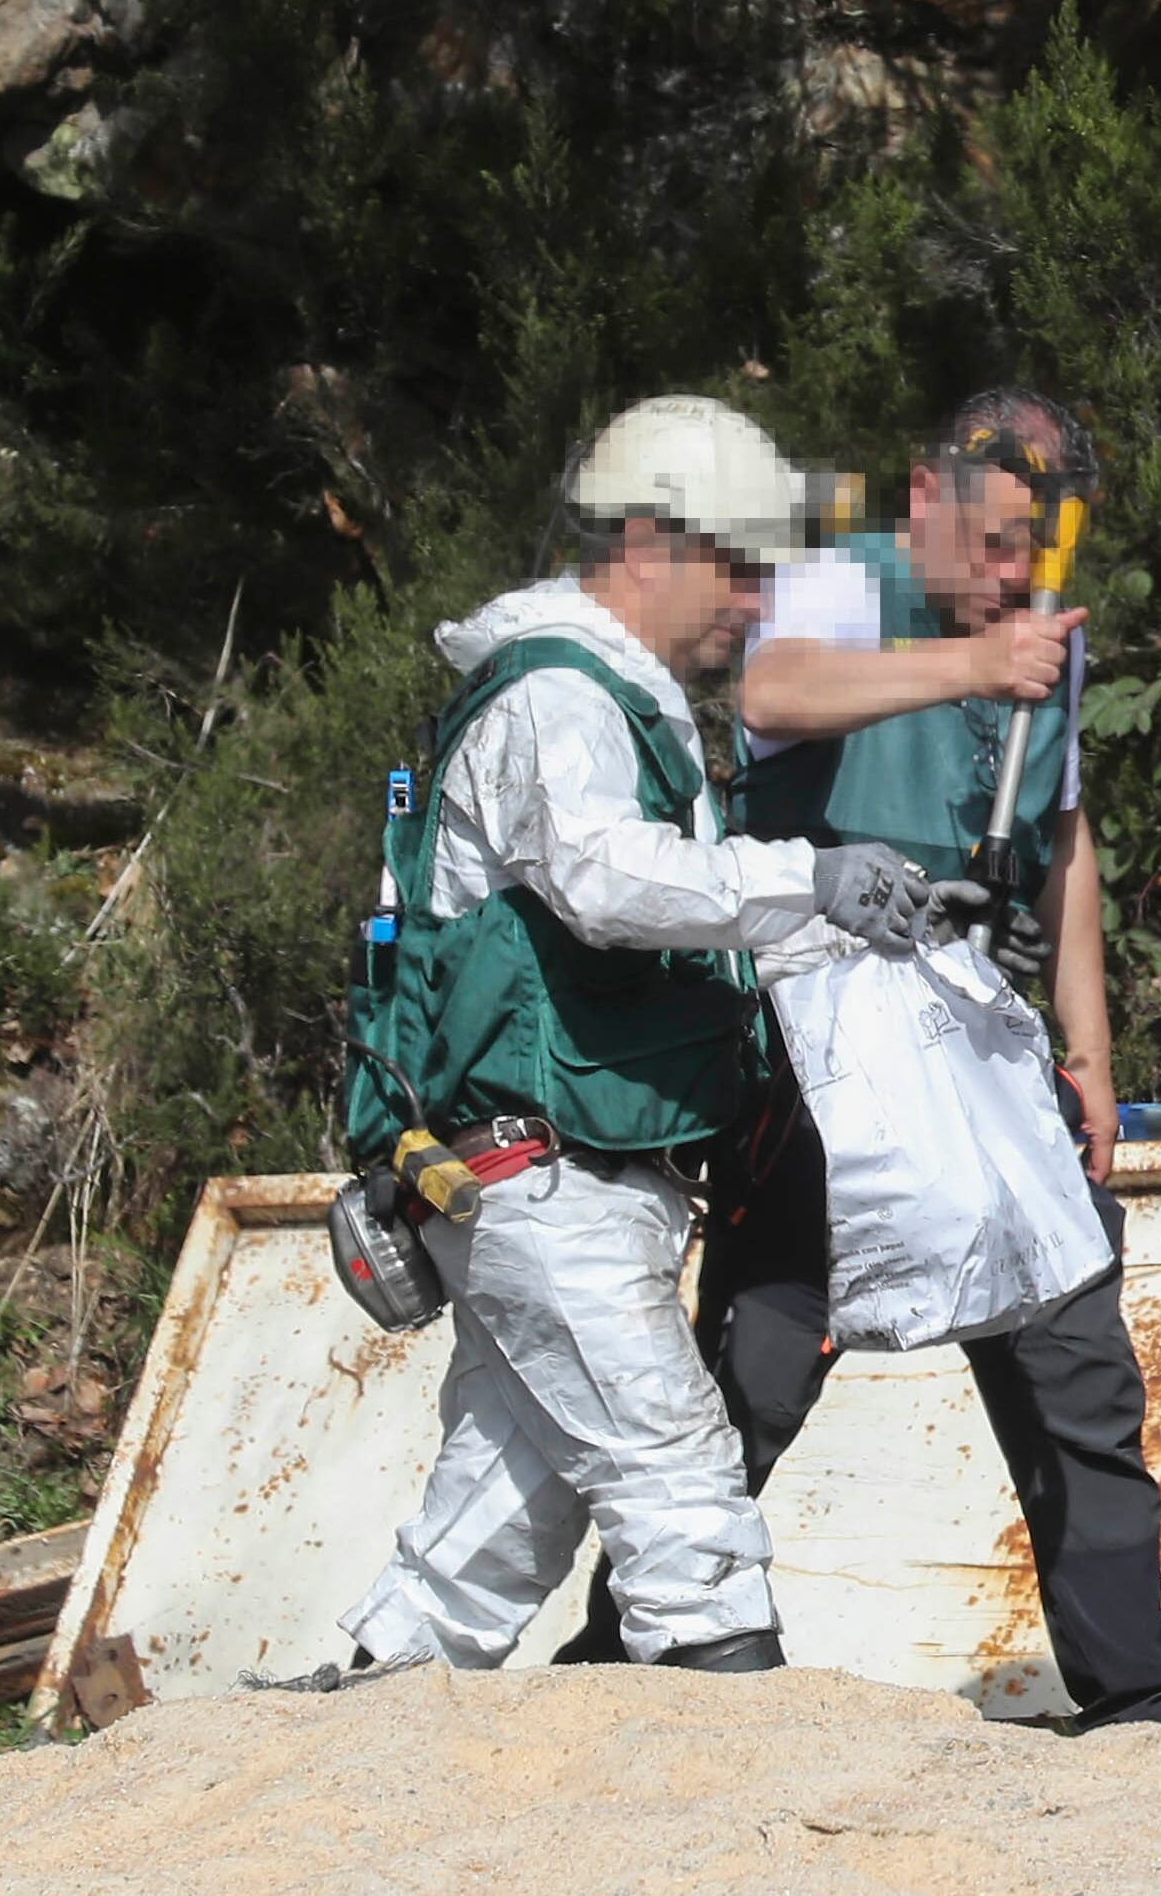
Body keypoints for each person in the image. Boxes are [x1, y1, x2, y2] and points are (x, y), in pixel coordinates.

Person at [557, 388, 1161, 1735]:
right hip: (820, 1020)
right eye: (996, 537)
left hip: (980, 1024)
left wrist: (1089, 1052)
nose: (1013, 572)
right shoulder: (836, 589)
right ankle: (625, 1662)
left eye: (1038, 548)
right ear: (927, 495)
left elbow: (1064, 839)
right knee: (763, 1364)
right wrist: (975, 665)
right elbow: (774, 690)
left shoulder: (1039, 642)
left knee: (1074, 1351)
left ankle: (1140, 1699)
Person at [342, 394, 950, 1672]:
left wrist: (856, 923)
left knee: (501, 1511)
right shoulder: (558, 697)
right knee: (677, 1477)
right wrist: (810, 875)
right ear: (644, 539)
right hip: (539, 1175)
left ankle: (341, 1728)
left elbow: (668, 937)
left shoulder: (619, 701)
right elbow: (608, 883)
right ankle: (736, 1778)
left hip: (572, 1173)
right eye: (736, 568)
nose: (752, 603)